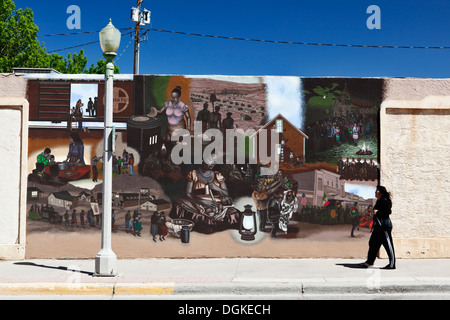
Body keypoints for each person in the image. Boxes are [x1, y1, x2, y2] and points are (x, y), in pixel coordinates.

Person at [360, 186, 396, 269]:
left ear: (381, 193)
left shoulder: (384, 200)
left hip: (384, 228)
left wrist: (378, 212)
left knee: (388, 246)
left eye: (377, 191)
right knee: (373, 243)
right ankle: (369, 262)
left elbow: (388, 212)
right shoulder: (379, 200)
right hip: (378, 228)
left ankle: (392, 264)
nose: (375, 192)